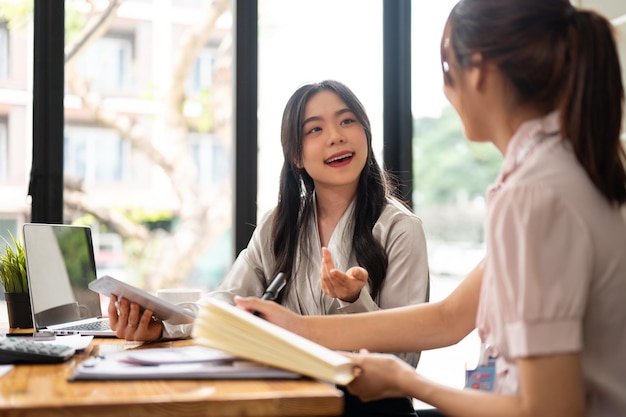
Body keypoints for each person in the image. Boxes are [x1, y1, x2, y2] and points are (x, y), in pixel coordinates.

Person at [235, 1, 626, 416]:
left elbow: (550, 410)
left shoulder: (533, 196)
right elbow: (449, 316)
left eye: (445, 69)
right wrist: (297, 327)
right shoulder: (565, 172)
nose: (444, 89)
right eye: (314, 128)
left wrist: (406, 381)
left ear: (476, 71)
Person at [108, 80, 431, 417]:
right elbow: (228, 303)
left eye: (347, 120)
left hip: (370, 409)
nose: (336, 135)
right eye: (315, 129)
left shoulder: (400, 228)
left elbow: (402, 358)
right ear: (295, 155)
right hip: (287, 399)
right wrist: (162, 328)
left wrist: (354, 301)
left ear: (365, 133)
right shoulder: (278, 225)